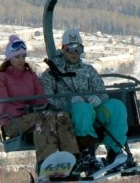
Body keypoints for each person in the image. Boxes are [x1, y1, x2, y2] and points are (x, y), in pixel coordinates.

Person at [40, 29, 129, 172]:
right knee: (82, 109)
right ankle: (87, 154)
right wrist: (69, 102)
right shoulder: (51, 74)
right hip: (69, 116)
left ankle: (114, 153)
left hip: (92, 112)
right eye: (70, 49)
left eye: (78, 49)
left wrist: (98, 98)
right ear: (63, 49)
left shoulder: (88, 70)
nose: (74, 54)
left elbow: (102, 91)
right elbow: (47, 99)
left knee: (117, 106)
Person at [0, 34, 78, 170]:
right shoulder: (0, 78)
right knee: (45, 117)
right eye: (17, 57)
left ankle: (73, 159)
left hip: (34, 117)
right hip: (13, 122)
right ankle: (45, 162)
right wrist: (26, 110)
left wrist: (38, 107)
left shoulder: (30, 75)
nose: (21, 60)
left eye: (23, 56)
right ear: (9, 58)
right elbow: (4, 104)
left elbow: (40, 97)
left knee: (62, 116)